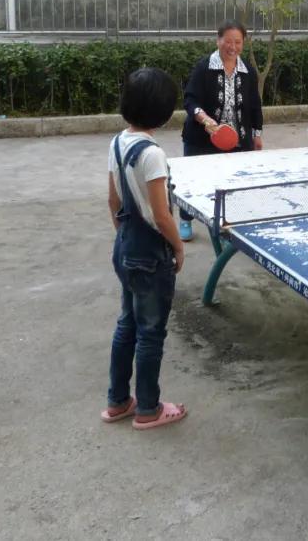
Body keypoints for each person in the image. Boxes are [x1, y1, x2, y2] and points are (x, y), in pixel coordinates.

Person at [102, 67, 188, 430]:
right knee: (150, 332)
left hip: (124, 246)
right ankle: (149, 409)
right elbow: (161, 214)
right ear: (162, 111)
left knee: (127, 323)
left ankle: (118, 401)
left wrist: (125, 238)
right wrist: (178, 248)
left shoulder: (117, 143)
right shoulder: (152, 154)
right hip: (150, 254)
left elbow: (112, 200)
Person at [178, 21, 264, 241]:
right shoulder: (204, 67)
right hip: (201, 139)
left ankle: (226, 226)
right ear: (218, 41)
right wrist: (205, 119)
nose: (232, 47)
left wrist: (256, 135)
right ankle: (185, 219)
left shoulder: (248, 71)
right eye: (228, 41)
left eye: (238, 42)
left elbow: (255, 106)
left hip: (237, 140)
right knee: (194, 182)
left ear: (243, 43)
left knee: (231, 184)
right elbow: (190, 100)